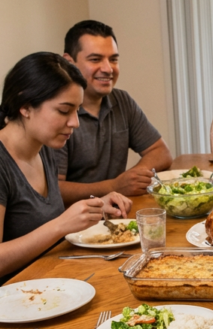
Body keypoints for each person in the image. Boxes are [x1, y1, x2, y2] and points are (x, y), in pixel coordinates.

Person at [0, 52, 132, 280]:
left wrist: (95, 210)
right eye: (64, 111)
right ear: (25, 106)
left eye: (76, 110)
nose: (75, 122)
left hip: (52, 281)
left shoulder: (45, 148)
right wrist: (61, 225)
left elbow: (38, 224)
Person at [57, 20, 172, 201]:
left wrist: (131, 179)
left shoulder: (122, 101)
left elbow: (161, 152)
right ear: (68, 62)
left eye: (113, 59)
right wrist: (114, 186)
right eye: (95, 59)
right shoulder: (57, 113)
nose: (108, 68)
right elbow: (53, 190)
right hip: (76, 222)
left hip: (118, 212)